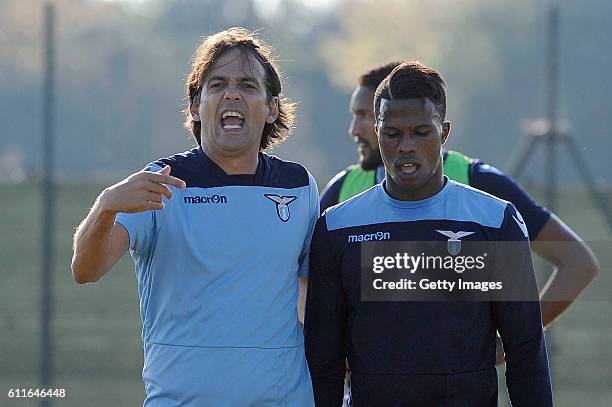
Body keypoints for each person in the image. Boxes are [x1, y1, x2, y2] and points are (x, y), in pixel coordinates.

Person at [71, 27, 317, 406]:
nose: (232, 93)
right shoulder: (162, 183)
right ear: (195, 105)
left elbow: (307, 289)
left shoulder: (298, 186)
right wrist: (106, 206)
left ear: (271, 108)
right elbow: (85, 270)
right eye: (217, 84)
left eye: (248, 85)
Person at [305, 62, 553, 405]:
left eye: (421, 132)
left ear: (444, 132)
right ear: (377, 132)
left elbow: (525, 352)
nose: (406, 146)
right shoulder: (338, 228)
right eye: (392, 133)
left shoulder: (495, 222)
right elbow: (324, 363)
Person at [321, 61, 599, 348]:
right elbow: (302, 282)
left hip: (462, 389)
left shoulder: (476, 181)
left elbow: (578, 263)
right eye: (355, 115)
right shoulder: (342, 194)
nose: (354, 128)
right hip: (371, 391)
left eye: (363, 115)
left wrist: (513, 341)